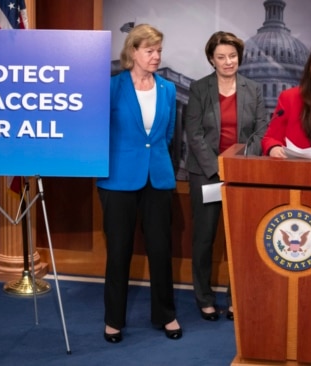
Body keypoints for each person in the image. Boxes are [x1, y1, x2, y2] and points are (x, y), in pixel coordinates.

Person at [96, 24, 181, 343]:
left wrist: (154, 157)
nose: (156, 56)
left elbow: (169, 133)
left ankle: (166, 315)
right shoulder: (111, 87)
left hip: (157, 179)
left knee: (161, 250)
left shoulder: (168, 90)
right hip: (117, 179)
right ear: (132, 52)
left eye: (159, 50)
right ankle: (113, 320)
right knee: (118, 252)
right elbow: (99, 131)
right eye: (150, 50)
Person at [184, 31, 268, 322]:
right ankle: (204, 298)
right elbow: (193, 133)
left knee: (241, 240)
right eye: (221, 57)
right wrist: (218, 166)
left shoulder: (254, 89)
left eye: (232, 56)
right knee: (204, 239)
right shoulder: (199, 89)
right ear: (211, 59)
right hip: (206, 174)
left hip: (241, 174)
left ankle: (236, 299)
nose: (228, 61)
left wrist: (237, 163)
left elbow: (262, 130)